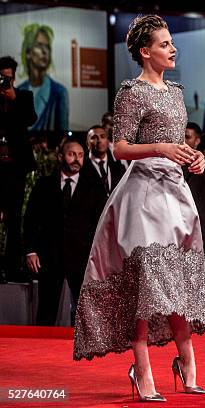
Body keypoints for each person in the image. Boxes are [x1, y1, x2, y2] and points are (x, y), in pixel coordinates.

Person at [72, 15, 205, 402]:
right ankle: (143, 368)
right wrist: (161, 149)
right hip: (143, 195)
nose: (172, 48)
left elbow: (175, 145)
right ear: (144, 51)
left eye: (172, 42)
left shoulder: (176, 91)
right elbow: (120, 148)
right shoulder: (131, 92)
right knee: (146, 282)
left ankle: (186, 363)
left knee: (177, 280)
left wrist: (193, 157)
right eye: (165, 44)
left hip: (175, 192)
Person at [23, 138, 105, 325]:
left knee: (85, 309)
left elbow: (100, 225)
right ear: (60, 156)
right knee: (46, 310)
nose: (76, 159)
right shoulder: (44, 184)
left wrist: (98, 256)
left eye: (80, 155)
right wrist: (31, 250)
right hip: (49, 256)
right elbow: (30, 220)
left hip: (83, 257)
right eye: (71, 154)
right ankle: (41, 349)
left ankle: (85, 348)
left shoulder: (93, 187)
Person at [0, 56, 37, 283]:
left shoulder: (24, 96)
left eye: (9, 78)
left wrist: (13, 101)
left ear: (14, 77)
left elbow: (30, 119)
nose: (5, 82)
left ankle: (12, 267)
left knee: (14, 219)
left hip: (16, 167)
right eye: (1, 78)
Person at [17, 23, 68, 132]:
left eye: (47, 47)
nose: (45, 51)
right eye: (39, 45)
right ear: (28, 53)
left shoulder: (59, 92)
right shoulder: (19, 91)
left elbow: (63, 133)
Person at [82, 125, 126, 197]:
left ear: (108, 142)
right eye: (94, 137)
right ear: (87, 144)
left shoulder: (119, 167)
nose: (99, 140)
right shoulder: (81, 168)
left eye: (102, 136)